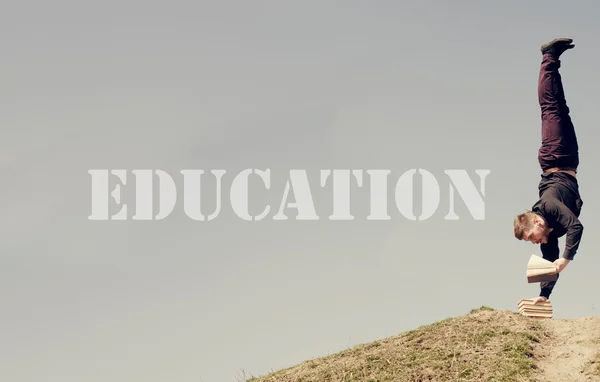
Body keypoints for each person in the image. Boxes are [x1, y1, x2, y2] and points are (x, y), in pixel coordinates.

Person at [513, 38, 584, 304]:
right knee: (559, 107)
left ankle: (549, 57)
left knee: (551, 108)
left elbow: (576, 227)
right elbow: (549, 262)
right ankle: (553, 61)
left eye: (531, 237)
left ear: (537, 222)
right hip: (568, 160)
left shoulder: (550, 206)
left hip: (556, 154)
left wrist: (567, 259)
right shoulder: (549, 234)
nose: (534, 242)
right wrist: (543, 295)